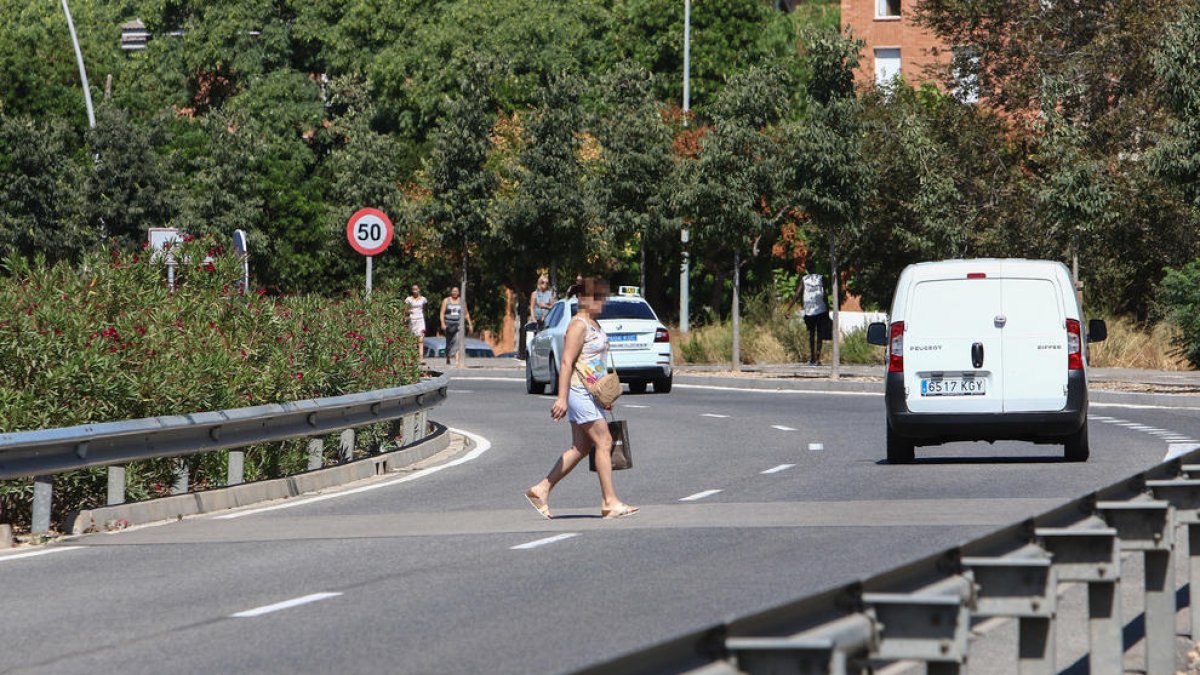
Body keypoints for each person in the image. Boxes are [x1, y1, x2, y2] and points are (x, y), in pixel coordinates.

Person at [524, 276, 639, 520]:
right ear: (583, 298)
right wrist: (562, 398)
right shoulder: (578, 325)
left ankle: (541, 489)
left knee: (582, 446)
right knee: (605, 441)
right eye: (597, 298)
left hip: (591, 393)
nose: (602, 303)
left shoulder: (593, 323)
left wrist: (604, 394)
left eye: (602, 298)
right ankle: (609, 501)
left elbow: (594, 364)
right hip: (578, 392)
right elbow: (566, 362)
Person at [797, 266, 829, 366]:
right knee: (814, 335)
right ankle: (814, 358)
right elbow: (798, 293)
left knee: (816, 335)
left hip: (818, 310)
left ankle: (816, 358)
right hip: (811, 311)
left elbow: (825, 293)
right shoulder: (805, 279)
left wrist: (827, 308)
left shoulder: (819, 278)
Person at [439, 286, 472, 366]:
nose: (455, 293)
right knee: (449, 342)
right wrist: (442, 323)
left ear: (459, 292)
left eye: (456, 291)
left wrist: (470, 324)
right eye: (453, 291)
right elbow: (442, 313)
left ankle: (457, 360)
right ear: (451, 292)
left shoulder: (462, 301)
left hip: (458, 323)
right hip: (448, 323)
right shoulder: (446, 300)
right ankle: (448, 357)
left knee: (458, 340)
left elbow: (466, 313)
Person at [404, 284, 428, 360]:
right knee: (413, 340)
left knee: (421, 339)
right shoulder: (408, 299)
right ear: (412, 290)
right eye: (413, 289)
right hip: (412, 320)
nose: (415, 291)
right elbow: (405, 310)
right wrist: (408, 314)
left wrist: (423, 316)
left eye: (416, 289)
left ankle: (421, 358)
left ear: (419, 289)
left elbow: (424, 309)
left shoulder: (423, 299)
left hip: (420, 320)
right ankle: (413, 357)